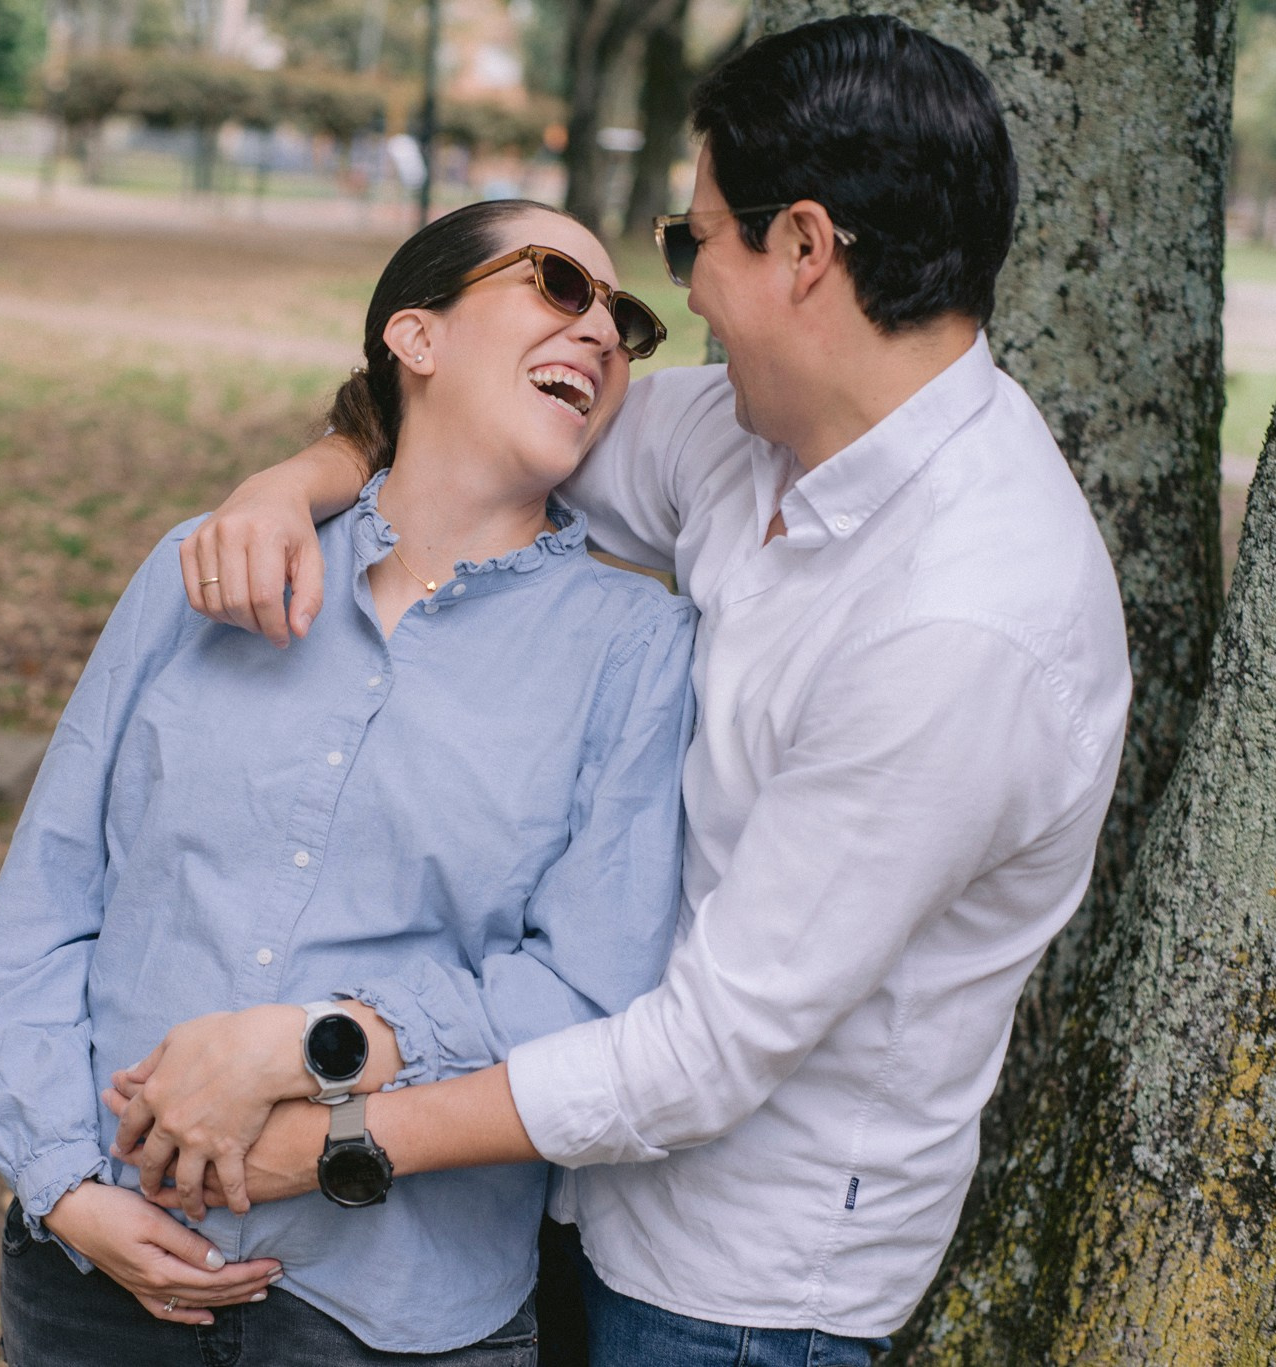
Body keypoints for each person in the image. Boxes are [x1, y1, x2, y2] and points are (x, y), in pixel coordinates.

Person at [108, 15, 1133, 1367]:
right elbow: (459, 421)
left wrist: (326, 1122)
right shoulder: (753, 434)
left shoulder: (964, 626)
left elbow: (708, 1054)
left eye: (691, 243)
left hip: (738, 1289)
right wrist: (290, 485)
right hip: (559, 1195)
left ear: (806, 249)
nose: (683, 299)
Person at [0, 198, 696, 1366]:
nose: (601, 330)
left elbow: (588, 986)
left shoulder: (634, 647)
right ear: (417, 335)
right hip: (94, 1273)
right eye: (558, 284)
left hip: (393, 1309)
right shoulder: (201, 567)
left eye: (624, 316)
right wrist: (61, 1184)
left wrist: (316, 1043)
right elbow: (49, 898)